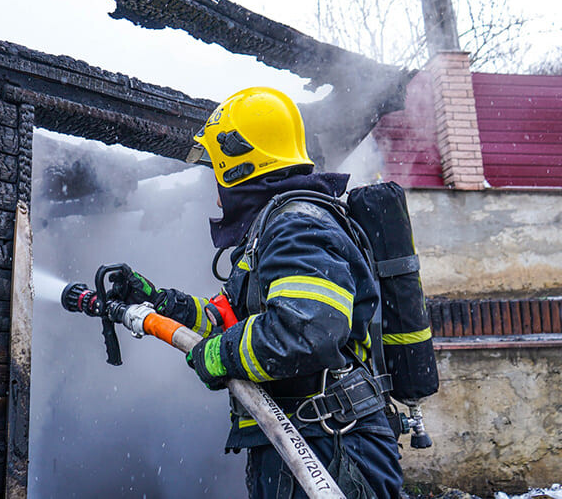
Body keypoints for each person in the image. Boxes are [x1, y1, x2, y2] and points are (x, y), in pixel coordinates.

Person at [113, 87, 403, 498]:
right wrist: (163, 303)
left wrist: (220, 355)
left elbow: (304, 332)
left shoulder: (297, 225)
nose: (215, 187)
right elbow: (230, 319)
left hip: (328, 445)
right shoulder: (275, 227)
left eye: (217, 167)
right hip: (304, 439)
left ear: (240, 164)